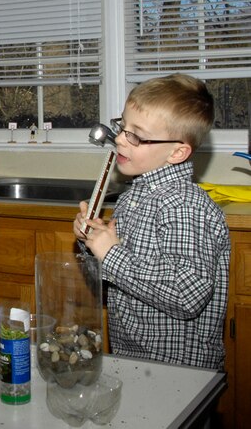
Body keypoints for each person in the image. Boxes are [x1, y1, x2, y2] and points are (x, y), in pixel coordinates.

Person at [73, 73, 230, 370]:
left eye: (136, 135)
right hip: (133, 357)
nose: (119, 138)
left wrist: (111, 254)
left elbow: (187, 295)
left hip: (180, 369)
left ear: (178, 152)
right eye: (122, 126)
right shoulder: (134, 197)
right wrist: (92, 243)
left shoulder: (183, 205)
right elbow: (120, 277)